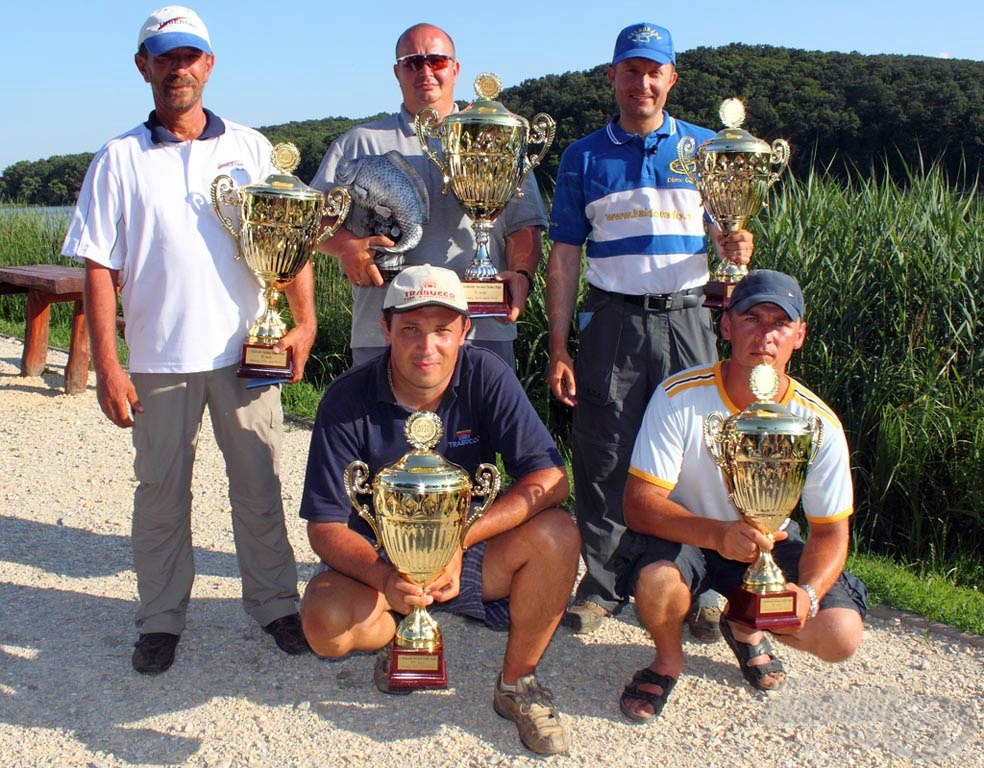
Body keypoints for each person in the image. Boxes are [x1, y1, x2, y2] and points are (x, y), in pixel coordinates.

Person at [62, 6, 311, 674]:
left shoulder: (254, 149)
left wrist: (307, 323)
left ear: (209, 64)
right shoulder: (118, 158)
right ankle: (161, 619)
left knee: (258, 485)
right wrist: (107, 366)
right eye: (165, 57)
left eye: (190, 56)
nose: (179, 68)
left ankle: (276, 606)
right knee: (161, 495)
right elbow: (97, 268)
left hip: (244, 355)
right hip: (157, 360)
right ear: (144, 66)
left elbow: (297, 237)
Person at [298, 265, 579, 756]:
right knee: (324, 625)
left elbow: (551, 479)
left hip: (465, 555)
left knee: (557, 535)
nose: (427, 347)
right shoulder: (346, 398)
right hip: (379, 560)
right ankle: (400, 634)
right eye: (410, 329)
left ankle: (518, 683)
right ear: (385, 330)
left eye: (442, 330)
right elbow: (323, 526)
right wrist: (386, 578)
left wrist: (460, 540)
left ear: (464, 331)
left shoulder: (487, 374)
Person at [545, 22, 754, 636]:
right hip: (613, 319)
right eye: (630, 69)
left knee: (702, 451)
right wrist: (559, 346)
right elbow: (562, 257)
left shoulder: (706, 149)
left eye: (653, 70)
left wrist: (737, 241)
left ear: (671, 79)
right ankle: (605, 583)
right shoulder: (583, 156)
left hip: (690, 317)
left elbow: (728, 237)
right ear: (613, 76)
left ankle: (704, 581)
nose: (642, 81)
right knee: (604, 449)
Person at [614, 269, 867, 722]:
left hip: (769, 546)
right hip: (689, 536)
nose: (765, 335)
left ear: (800, 335)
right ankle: (668, 660)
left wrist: (806, 594)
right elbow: (639, 503)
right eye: (752, 318)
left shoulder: (818, 423)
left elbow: (831, 532)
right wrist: (718, 533)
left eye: (780, 323)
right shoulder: (678, 397)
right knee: (656, 583)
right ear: (727, 326)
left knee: (840, 634)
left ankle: (745, 623)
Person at [309, 23, 547, 369]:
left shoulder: (495, 136)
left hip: (481, 332)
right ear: (397, 72)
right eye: (412, 62)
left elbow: (523, 225)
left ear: (455, 68)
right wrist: (345, 245)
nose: (425, 71)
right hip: (383, 334)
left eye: (435, 61)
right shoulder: (359, 143)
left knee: (479, 425)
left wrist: (522, 274)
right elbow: (312, 219)